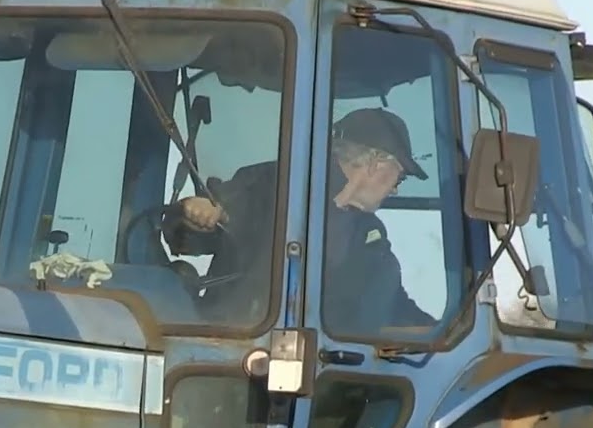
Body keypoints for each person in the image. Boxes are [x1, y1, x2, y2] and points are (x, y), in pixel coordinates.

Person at [162, 107, 435, 331]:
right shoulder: (272, 185)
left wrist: (440, 334)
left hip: (332, 368)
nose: (396, 189)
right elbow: (188, 235)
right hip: (238, 350)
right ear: (375, 163)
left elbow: (394, 304)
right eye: (399, 177)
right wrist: (194, 214)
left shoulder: (370, 235)